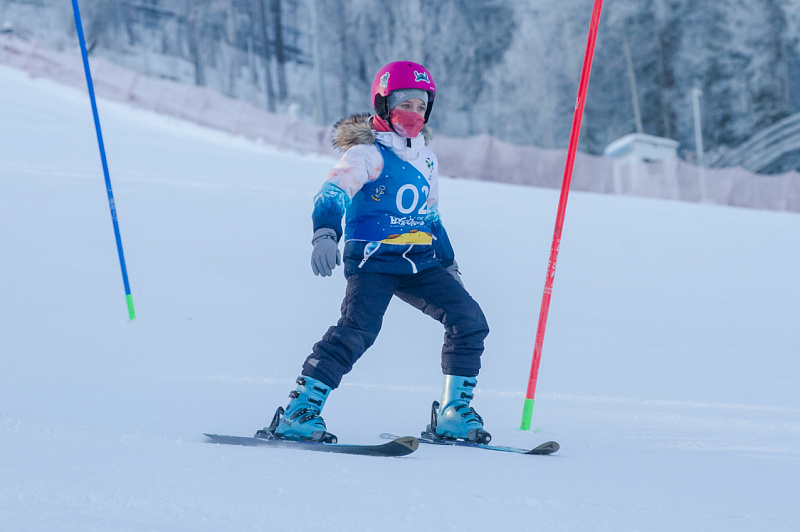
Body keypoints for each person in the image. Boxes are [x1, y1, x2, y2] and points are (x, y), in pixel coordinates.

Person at [257, 61, 490, 444]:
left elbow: (430, 215)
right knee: (357, 331)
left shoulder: (427, 159)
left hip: (419, 261)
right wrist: (325, 234)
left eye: (421, 107)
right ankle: (300, 411)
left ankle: (452, 413)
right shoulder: (367, 153)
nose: (413, 114)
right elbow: (332, 193)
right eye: (404, 104)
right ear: (384, 104)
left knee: (470, 320)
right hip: (373, 261)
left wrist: (448, 264)